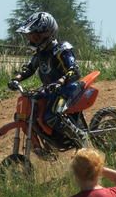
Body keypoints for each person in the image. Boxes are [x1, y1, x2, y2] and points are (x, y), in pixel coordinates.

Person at [8, 11, 87, 147]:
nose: (31, 40)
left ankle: (80, 137)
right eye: (30, 36)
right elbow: (29, 68)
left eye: (35, 36)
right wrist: (16, 79)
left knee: (51, 116)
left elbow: (74, 70)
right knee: (27, 114)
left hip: (67, 90)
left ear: (46, 33)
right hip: (50, 90)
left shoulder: (62, 49)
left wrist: (61, 82)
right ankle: (44, 146)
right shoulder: (40, 53)